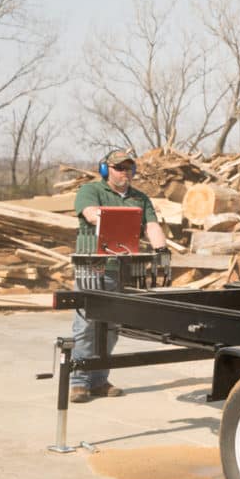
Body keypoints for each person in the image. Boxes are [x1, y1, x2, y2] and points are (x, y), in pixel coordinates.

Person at [69, 150, 168, 403]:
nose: (124, 173)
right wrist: (112, 218)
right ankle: (79, 382)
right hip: (93, 267)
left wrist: (162, 250)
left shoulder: (140, 198)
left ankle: (99, 380)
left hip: (122, 269)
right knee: (87, 325)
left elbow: (152, 226)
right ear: (106, 170)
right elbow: (90, 213)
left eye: (128, 168)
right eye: (118, 168)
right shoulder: (91, 191)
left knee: (112, 327)